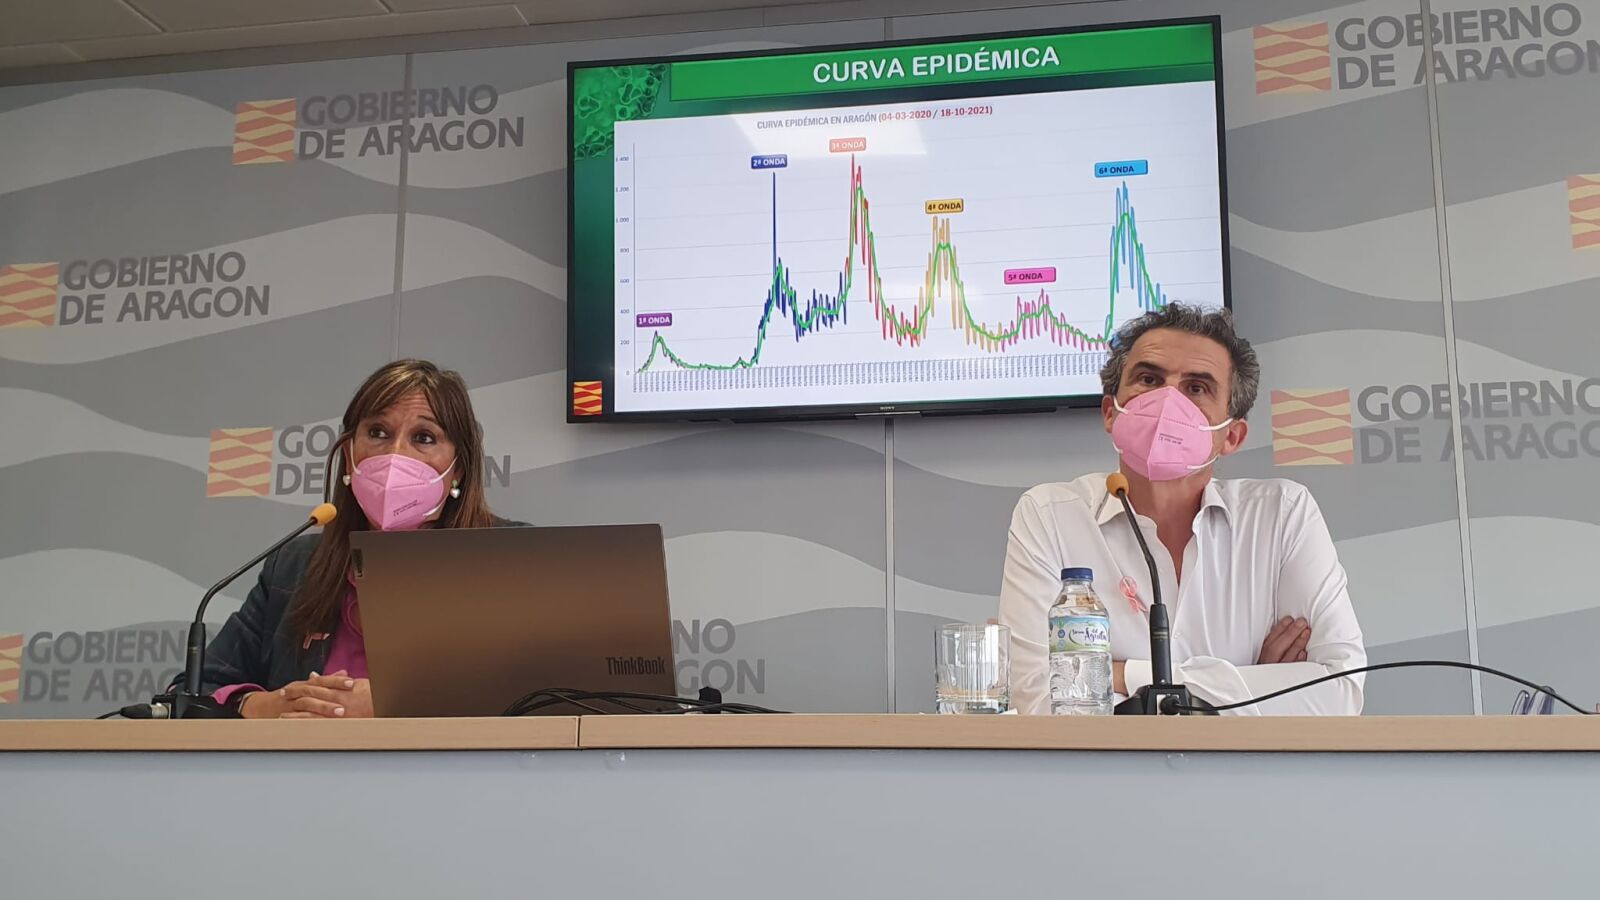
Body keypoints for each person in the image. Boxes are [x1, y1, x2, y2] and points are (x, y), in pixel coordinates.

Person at [997, 304, 1365, 715]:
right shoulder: (1050, 516)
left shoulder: (1282, 515)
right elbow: (1038, 700)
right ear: (1110, 413)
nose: (1167, 400)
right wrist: (1248, 689)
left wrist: (1123, 676)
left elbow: (1340, 692)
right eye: (1149, 379)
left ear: (1232, 436)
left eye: (1196, 388)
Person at [197, 359, 522, 718]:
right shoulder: (296, 565)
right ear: (349, 456)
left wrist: (392, 704)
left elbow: (551, 696)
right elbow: (193, 693)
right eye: (378, 432)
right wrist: (264, 706)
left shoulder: (510, 558)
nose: (395, 455)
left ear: (457, 467)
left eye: (424, 438)